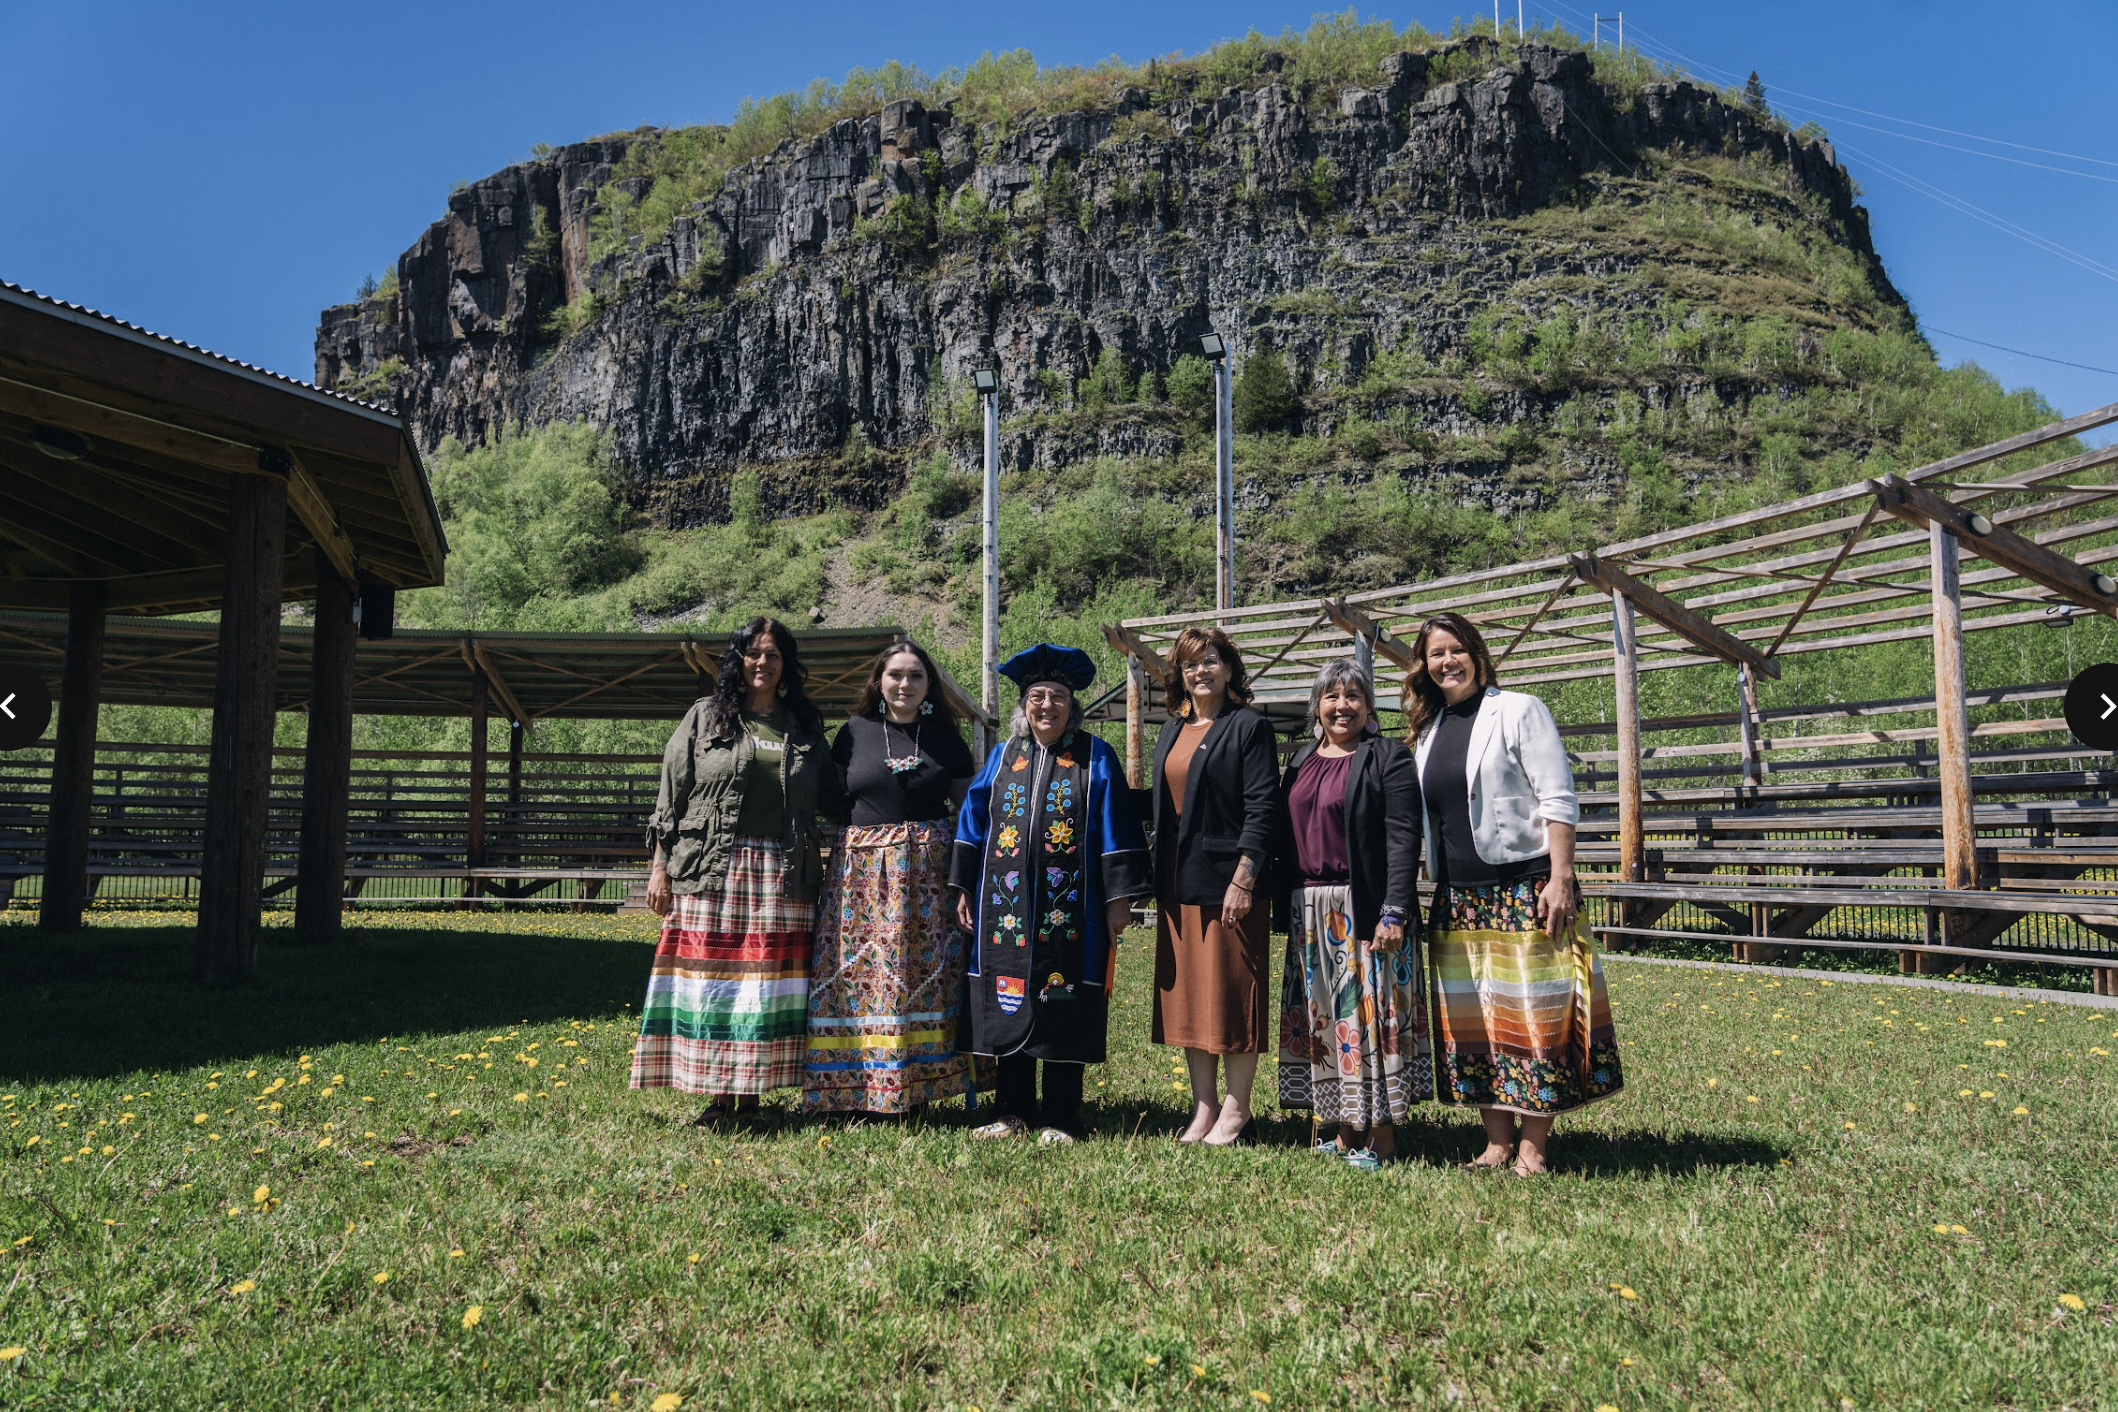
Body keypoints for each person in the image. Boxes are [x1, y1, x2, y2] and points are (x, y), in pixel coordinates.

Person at [1406, 611, 1624, 1176]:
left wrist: (1561, 877)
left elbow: (1558, 797)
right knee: (1473, 1024)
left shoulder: (1519, 709)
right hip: (1457, 896)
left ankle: (1533, 1147)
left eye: (1455, 649)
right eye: (1435, 654)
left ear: (1477, 653)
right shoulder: (1427, 731)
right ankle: (1495, 1143)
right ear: (1423, 666)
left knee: (1534, 1020)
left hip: (1522, 886)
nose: (1446, 661)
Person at [632, 616, 845, 1123]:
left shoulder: (805, 727)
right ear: (738, 659)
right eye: (753, 653)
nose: (763, 663)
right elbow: (671, 796)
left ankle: (749, 1098)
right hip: (712, 867)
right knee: (713, 979)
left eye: (773, 654)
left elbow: (838, 799)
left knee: (766, 987)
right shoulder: (706, 717)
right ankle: (717, 1096)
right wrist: (660, 869)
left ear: (786, 663)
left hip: (783, 869)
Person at [949, 644, 1151, 1144]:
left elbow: (1116, 827)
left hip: (1072, 913)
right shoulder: (1003, 758)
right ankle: (1011, 1112)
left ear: (1072, 705)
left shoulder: (1094, 756)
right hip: (1005, 911)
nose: (1046, 706)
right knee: (1009, 997)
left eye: (1057, 697)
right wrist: (963, 886)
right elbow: (973, 822)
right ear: (1024, 706)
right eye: (1037, 696)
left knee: (1062, 998)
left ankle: (1063, 1116)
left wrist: (1119, 898)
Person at [801, 642, 979, 1117]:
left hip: (929, 871)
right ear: (878, 682)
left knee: (923, 975)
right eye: (895, 675)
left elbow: (969, 812)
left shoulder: (946, 737)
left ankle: (919, 1087)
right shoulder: (853, 734)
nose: (905, 684)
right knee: (857, 974)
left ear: (929, 685)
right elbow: (833, 797)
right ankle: (850, 1086)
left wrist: (965, 875)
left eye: (916, 675)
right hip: (859, 874)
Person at [1275, 658, 1430, 1171]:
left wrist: (1394, 911)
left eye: (1353, 697)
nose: (1342, 706)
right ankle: (1343, 1129)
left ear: (1369, 706)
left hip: (1362, 909)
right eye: (1332, 697)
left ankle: (1381, 1138)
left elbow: (1405, 838)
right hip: (1309, 910)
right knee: (1328, 1021)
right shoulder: (1298, 760)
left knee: (1367, 1019)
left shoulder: (1387, 756)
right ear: (1317, 707)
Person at [1150, 626, 1279, 1146]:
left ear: (1229, 668)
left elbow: (1263, 807)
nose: (1199, 672)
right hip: (1176, 884)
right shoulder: (1171, 729)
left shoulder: (1247, 726)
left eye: (1209, 662)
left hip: (1228, 885)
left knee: (1231, 994)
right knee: (1190, 1002)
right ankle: (1202, 1110)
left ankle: (1237, 1109)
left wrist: (1244, 878)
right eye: (1189, 665)